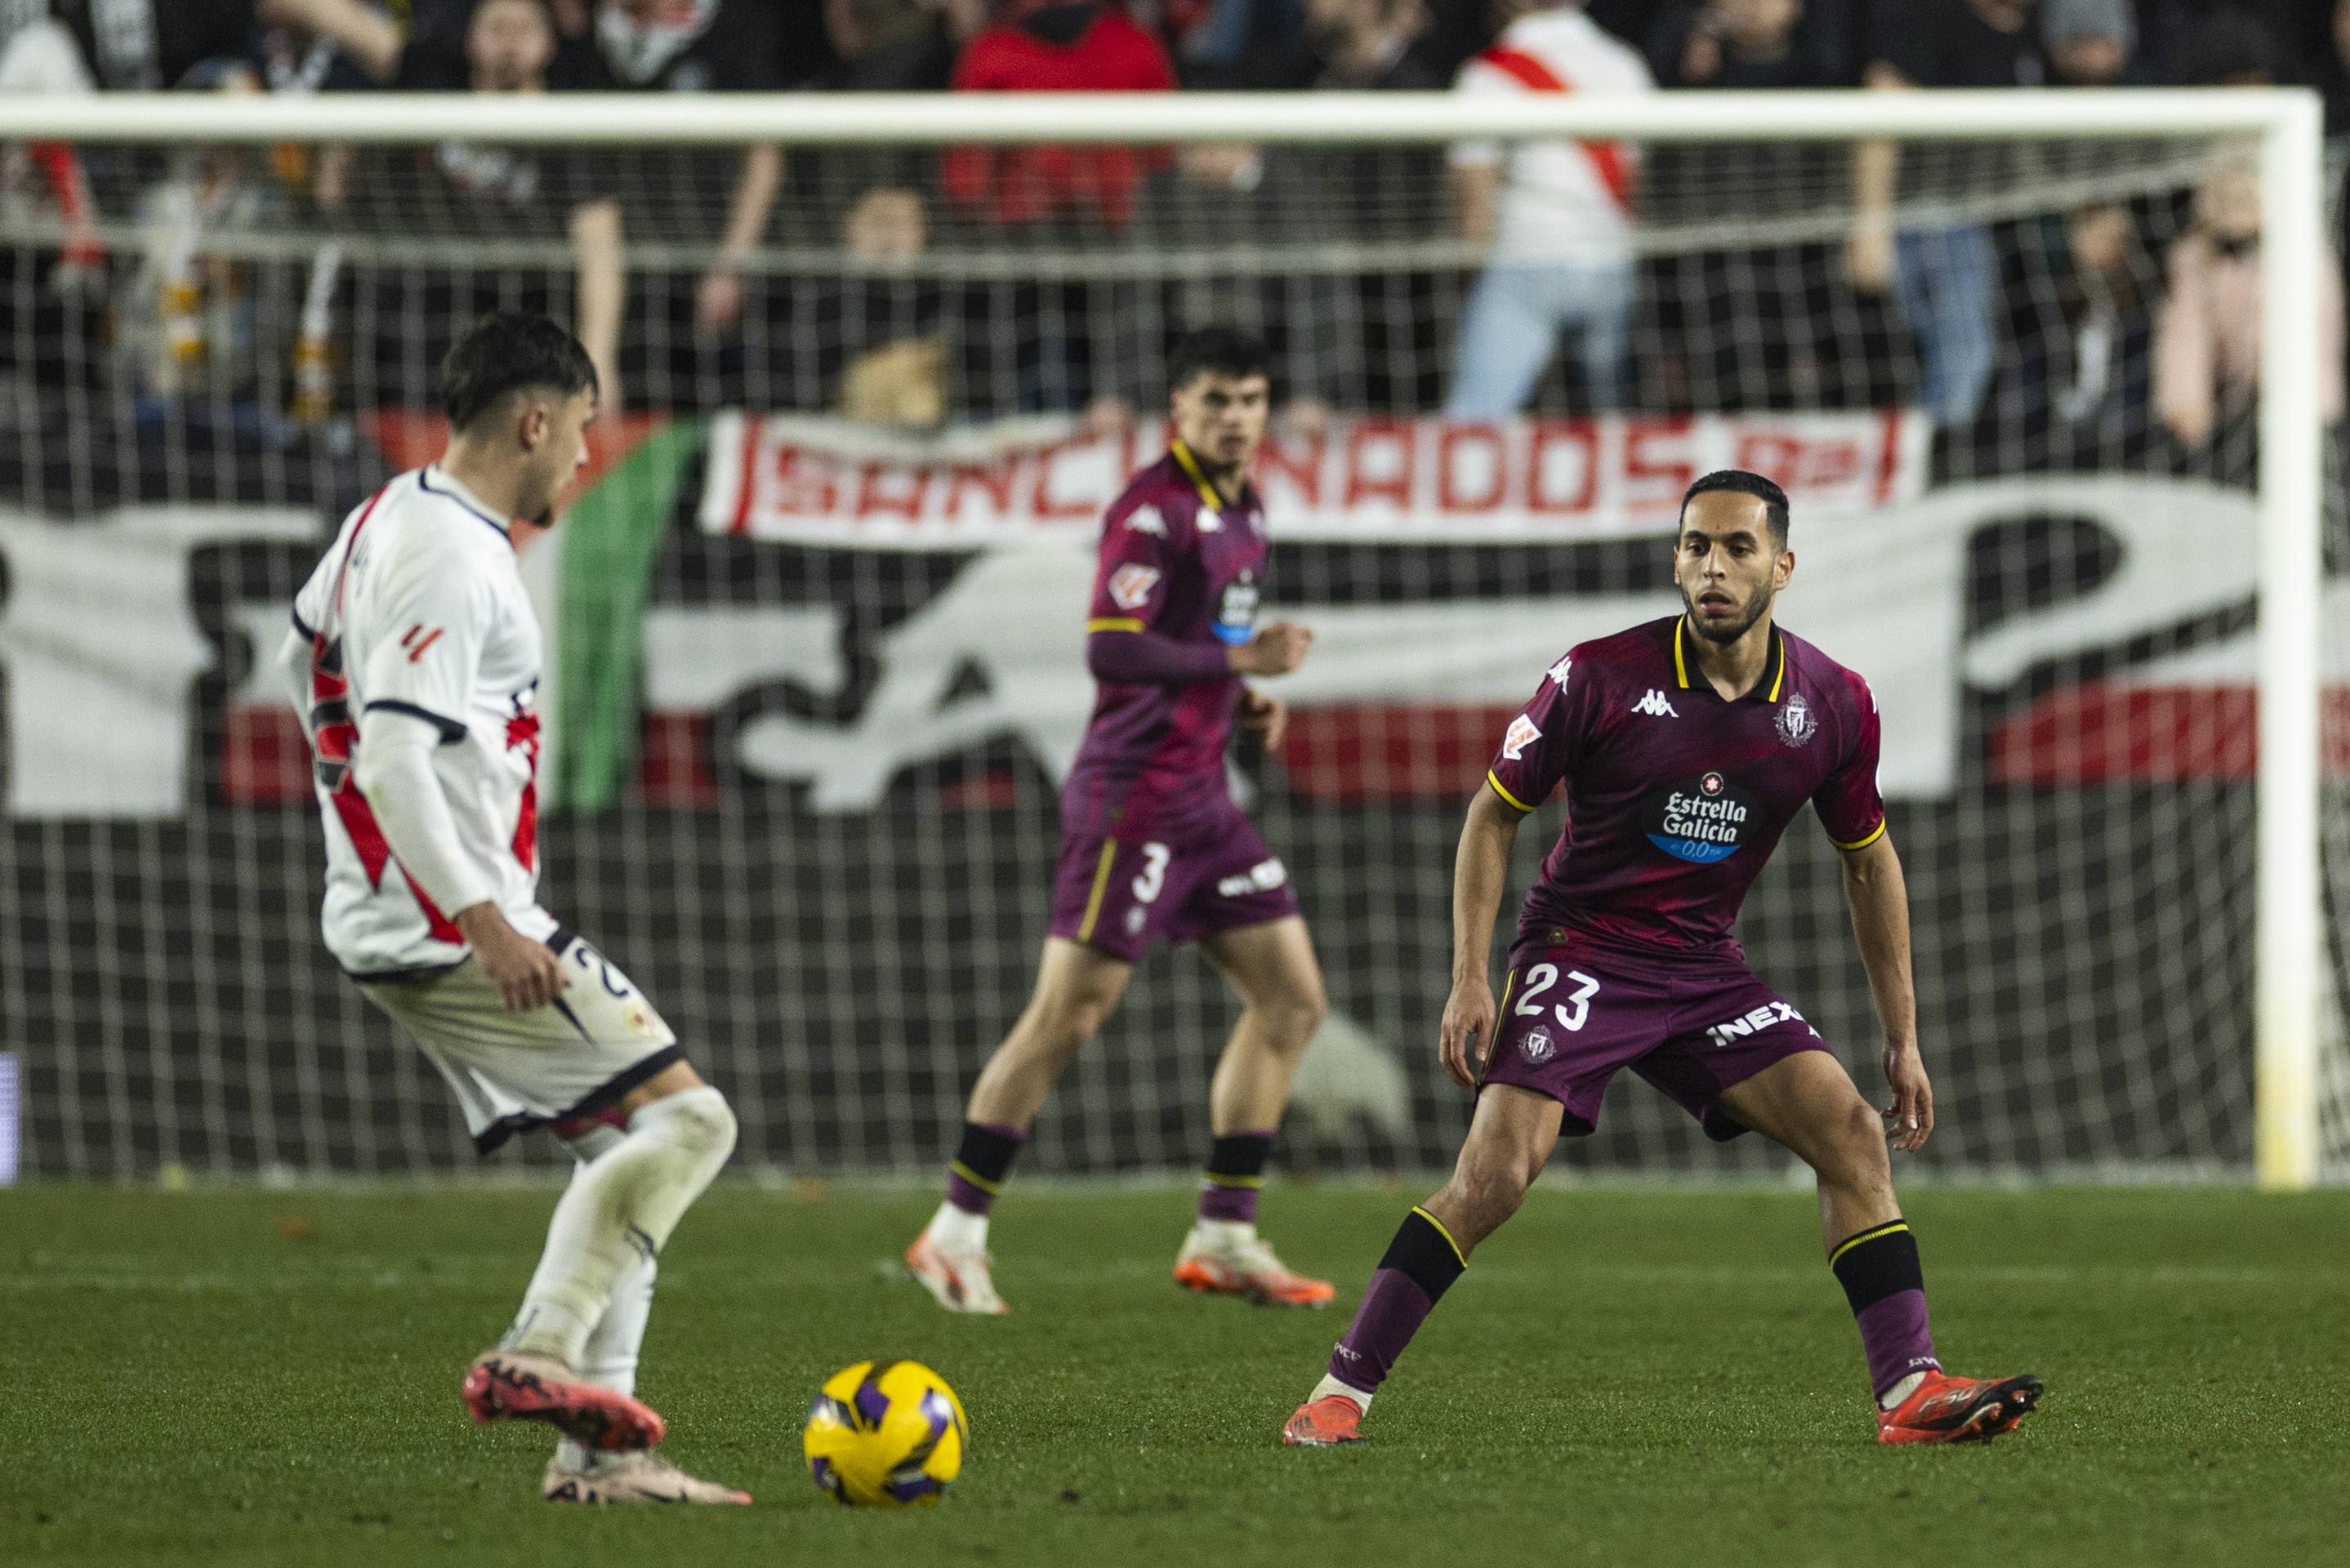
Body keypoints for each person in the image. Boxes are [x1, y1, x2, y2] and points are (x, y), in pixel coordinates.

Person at [1282, 470, 2045, 1448]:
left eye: (1736, 548)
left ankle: (1910, 1393)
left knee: (1852, 1132)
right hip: (1582, 950)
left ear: (1784, 565)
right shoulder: (1596, 678)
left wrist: (1904, 1039)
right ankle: (1341, 1390)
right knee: (1497, 1176)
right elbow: (1490, 817)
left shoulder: (1833, 704)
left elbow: (1869, 865)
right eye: (1695, 547)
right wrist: (1472, 975)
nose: (1713, 568)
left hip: (1702, 968)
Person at [272, 313, 747, 1504]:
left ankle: (602, 1456)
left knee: (620, 1150)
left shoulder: (385, 515)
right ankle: (537, 1355)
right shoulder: (451, 555)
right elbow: (387, 756)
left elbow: (304, 654)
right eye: (584, 429)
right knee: (693, 1128)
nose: (587, 456)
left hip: (404, 909)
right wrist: (484, 917)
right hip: (447, 925)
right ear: (534, 420)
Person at [905, 327, 1335, 1315]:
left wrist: (1244, 700)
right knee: (1070, 1016)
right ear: (1178, 408)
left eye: (1252, 400)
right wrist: (1241, 667)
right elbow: (1114, 648)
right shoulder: (1153, 510)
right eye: (1217, 400)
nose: (1236, 418)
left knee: (1292, 1002)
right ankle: (954, 1232)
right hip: (1131, 800)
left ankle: (1224, 1234)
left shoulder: (1248, 505)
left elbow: (1211, 640)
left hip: (1206, 803)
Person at [1442, 0, 1653, 419]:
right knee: (1615, 428)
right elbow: (1636, 187)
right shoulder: (1625, 64)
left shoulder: (1488, 73)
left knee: (1473, 422)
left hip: (1525, 262)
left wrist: (1468, 283)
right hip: (1609, 264)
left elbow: (1474, 210)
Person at [1850, 0, 2043, 433]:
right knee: (1962, 360)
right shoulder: (1926, 15)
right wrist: (1871, 226)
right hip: (1927, 223)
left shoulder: (2031, 30)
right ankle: (1927, 471)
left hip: (1995, 227)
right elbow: (1879, 118)